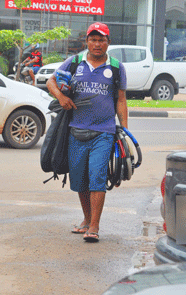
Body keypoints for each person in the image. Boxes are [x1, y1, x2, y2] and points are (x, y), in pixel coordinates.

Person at [46, 22, 128, 243]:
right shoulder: (74, 62)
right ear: (87, 42)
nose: (97, 44)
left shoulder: (117, 67)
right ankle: (86, 219)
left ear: (108, 43)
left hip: (104, 132)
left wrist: (125, 130)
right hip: (76, 130)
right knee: (80, 179)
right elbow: (51, 81)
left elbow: (121, 100)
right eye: (93, 39)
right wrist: (61, 97)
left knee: (97, 178)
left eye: (101, 40)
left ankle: (94, 226)